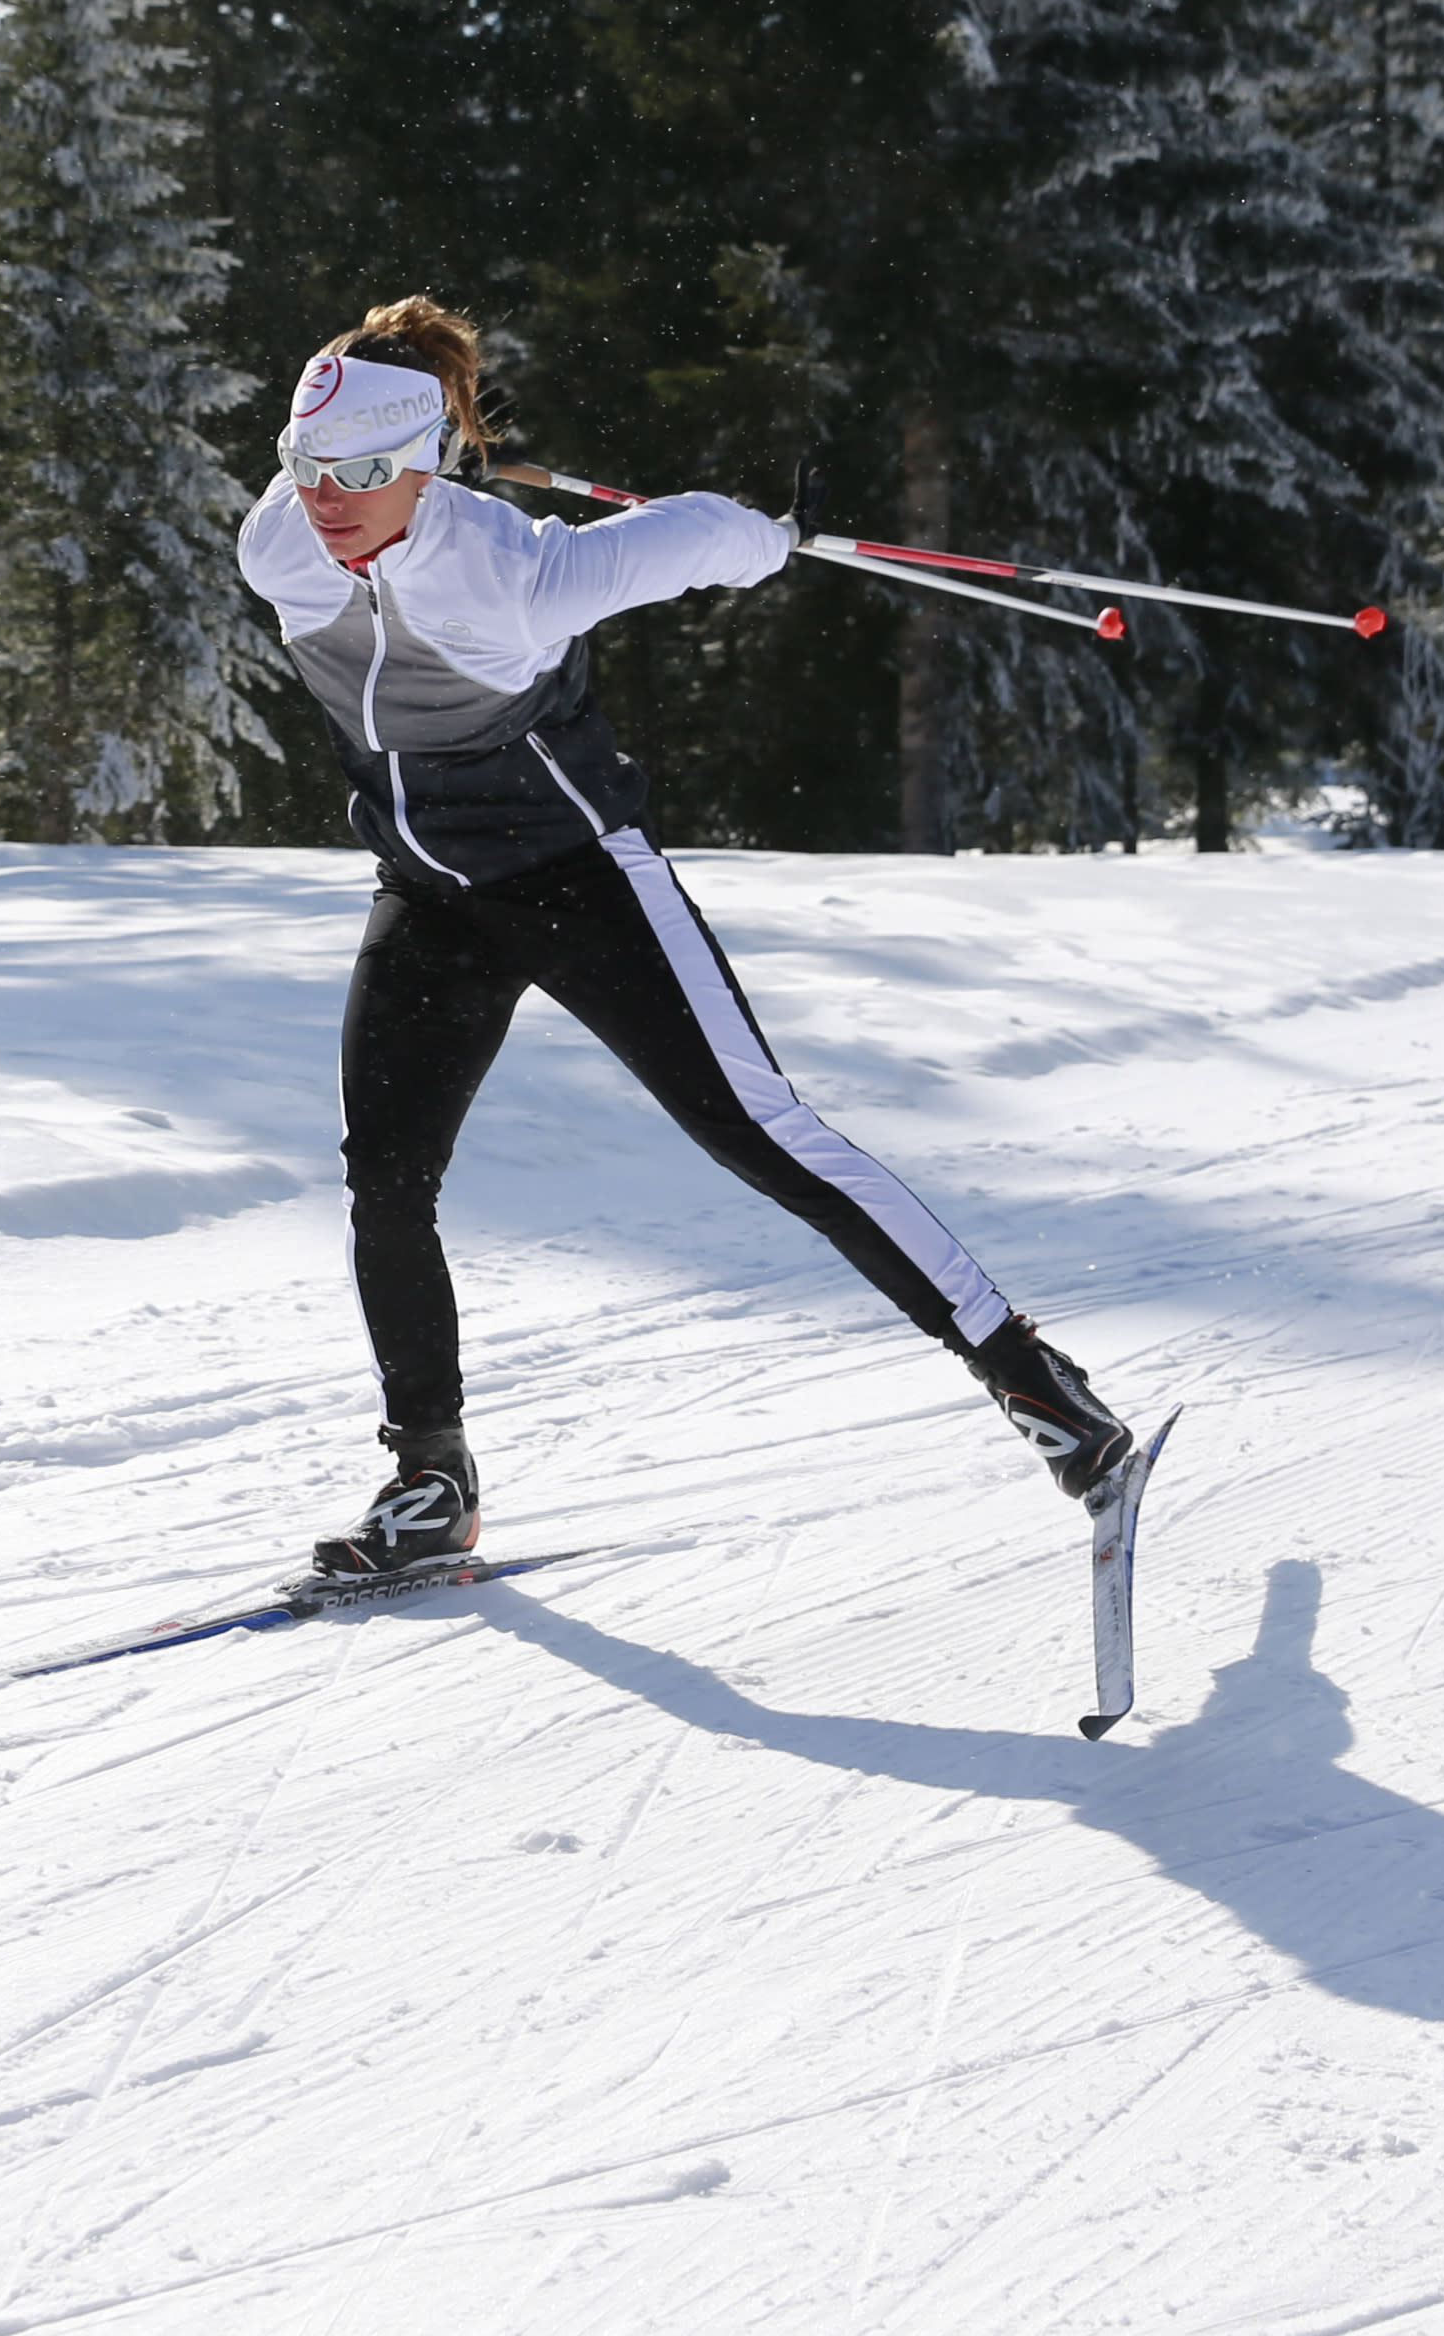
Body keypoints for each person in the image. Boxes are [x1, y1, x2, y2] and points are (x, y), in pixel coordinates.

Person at [236, 298, 1138, 1581]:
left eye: (365, 473)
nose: (328, 500)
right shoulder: (278, 543)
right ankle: (432, 1478)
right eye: (309, 468)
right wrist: (390, 464)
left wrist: (773, 537)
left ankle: (1041, 1389)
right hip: (431, 889)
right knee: (384, 1177)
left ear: (424, 465)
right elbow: (346, 494)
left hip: (576, 879)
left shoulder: (516, 570)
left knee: (760, 1130)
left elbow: (694, 534)